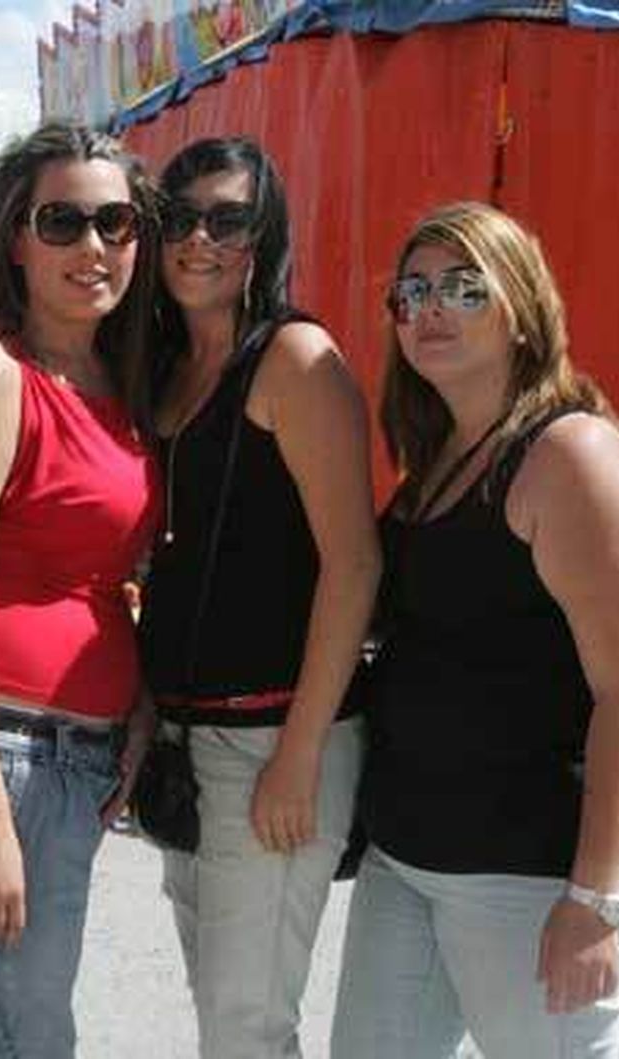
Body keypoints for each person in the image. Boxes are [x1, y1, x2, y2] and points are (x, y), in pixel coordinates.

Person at [330, 201, 619, 1058]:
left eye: (462, 287)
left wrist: (594, 900)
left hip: (537, 863)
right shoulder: (441, 458)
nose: (430, 309)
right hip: (413, 849)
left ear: (522, 306)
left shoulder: (570, 455)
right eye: (410, 293)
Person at [0, 121, 161, 1058]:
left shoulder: (112, 380)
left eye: (115, 222)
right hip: (10, 759)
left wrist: (136, 702)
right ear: (16, 236)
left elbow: (101, 581)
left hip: (76, 756)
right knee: (24, 1033)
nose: (92, 247)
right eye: (63, 222)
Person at [136, 136, 380, 1057]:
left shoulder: (294, 358)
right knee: (229, 1012)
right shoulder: (167, 369)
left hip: (277, 738)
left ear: (264, 233)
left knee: (245, 1026)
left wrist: (302, 754)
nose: (200, 237)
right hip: (191, 740)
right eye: (179, 217)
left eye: (227, 218)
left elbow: (353, 566)